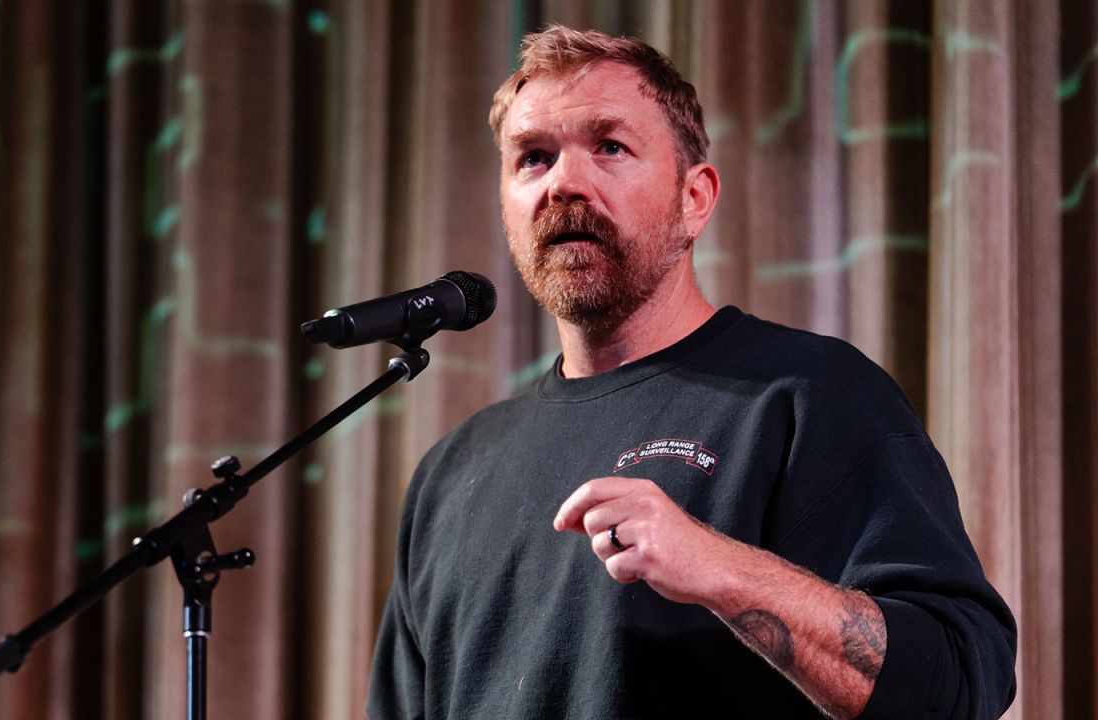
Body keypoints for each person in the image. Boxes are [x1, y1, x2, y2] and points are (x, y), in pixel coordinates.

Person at [368, 25, 1016, 719]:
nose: (564, 184)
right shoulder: (452, 474)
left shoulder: (809, 396)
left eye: (610, 147)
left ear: (695, 198)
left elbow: (959, 677)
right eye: (533, 158)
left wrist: (719, 569)